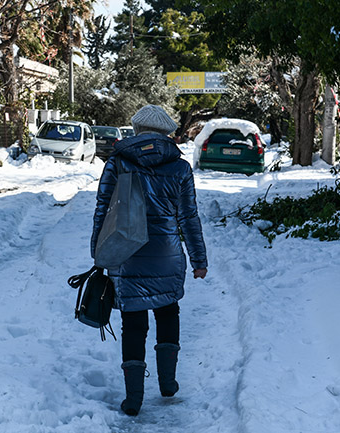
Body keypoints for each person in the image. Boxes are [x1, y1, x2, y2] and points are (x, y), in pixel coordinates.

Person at [90, 104, 208, 416]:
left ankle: (134, 399)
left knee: (133, 321)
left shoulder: (119, 162)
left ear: (137, 130)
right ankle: (168, 383)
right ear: (167, 133)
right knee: (168, 312)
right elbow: (189, 218)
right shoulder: (180, 168)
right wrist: (198, 258)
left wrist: (99, 253)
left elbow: (103, 209)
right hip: (168, 256)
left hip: (127, 255)